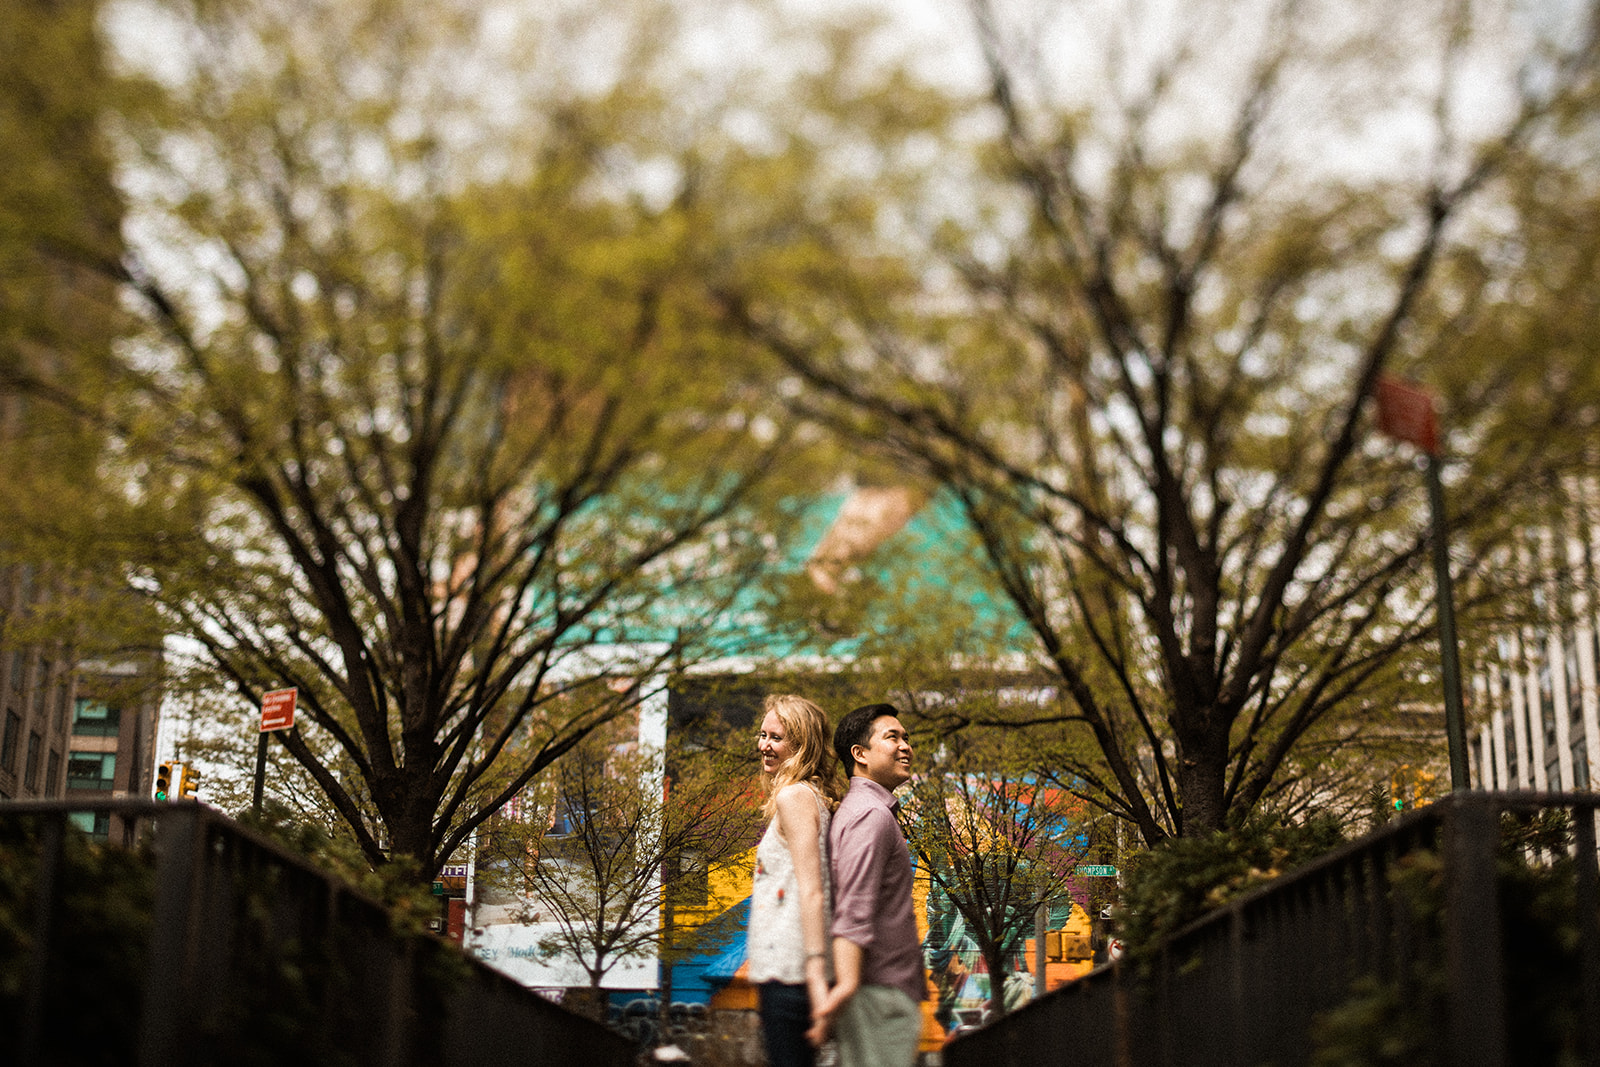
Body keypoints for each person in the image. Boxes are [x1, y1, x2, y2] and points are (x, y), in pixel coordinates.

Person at [809, 703, 925, 1067]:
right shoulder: (870, 817)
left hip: (875, 992)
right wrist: (845, 987)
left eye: (906, 738)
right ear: (859, 754)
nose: (905, 746)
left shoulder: (861, 811)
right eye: (892, 737)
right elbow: (853, 908)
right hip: (878, 995)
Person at [748, 694, 844, 1067]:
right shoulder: (815, 797)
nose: (764, 745)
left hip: (791, 974)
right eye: (762, 735)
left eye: (776, 737)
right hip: (791, 972)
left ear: (802, 745)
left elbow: (813, 890)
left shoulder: (794, 797)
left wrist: (818, 981)